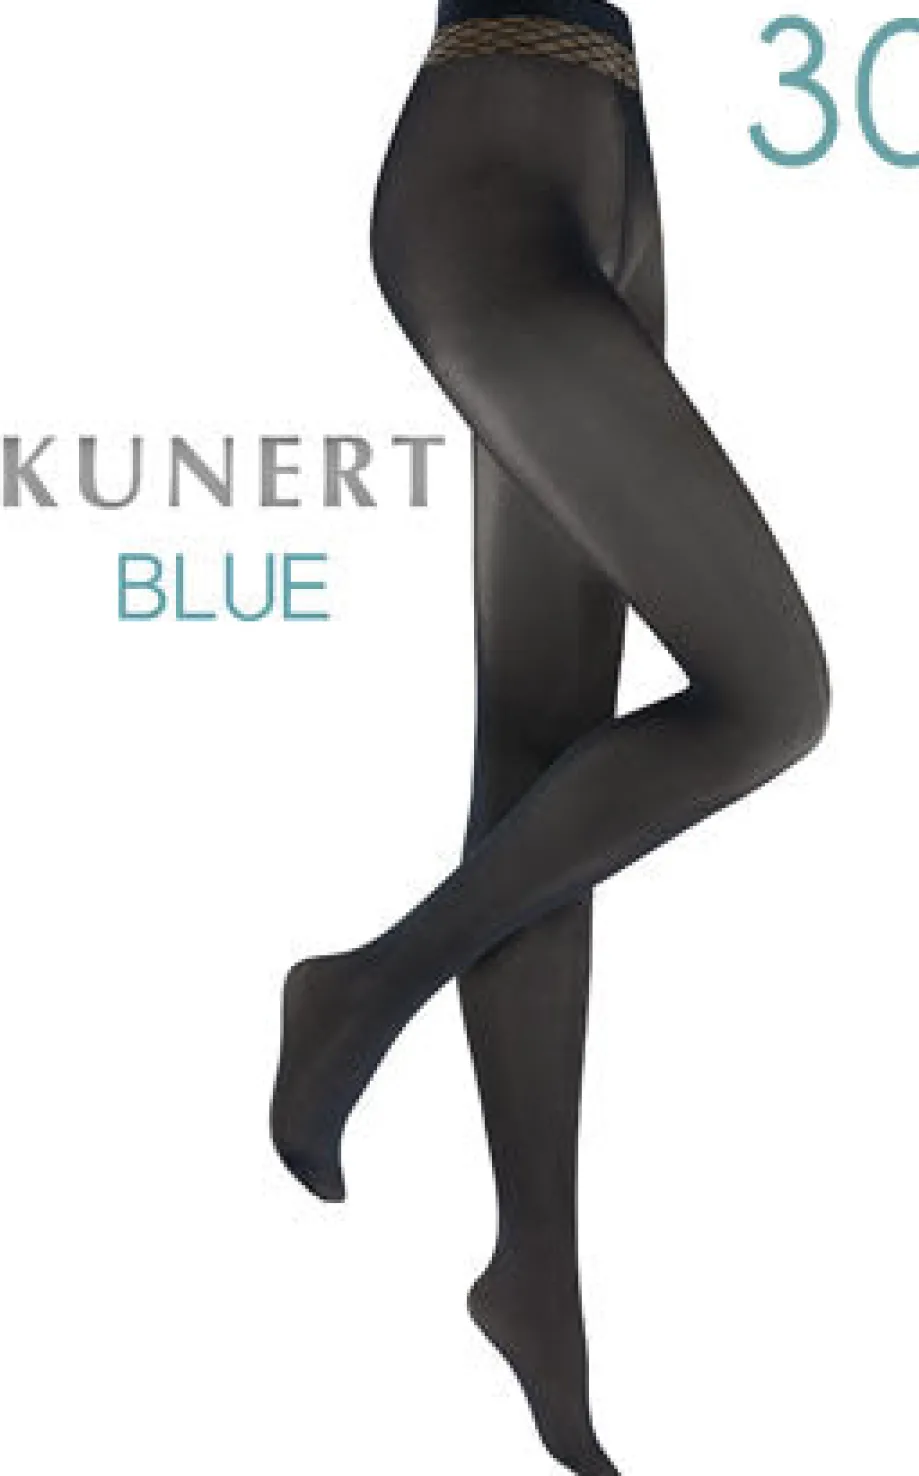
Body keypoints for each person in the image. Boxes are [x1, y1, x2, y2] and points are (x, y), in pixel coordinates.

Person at [271, 4, 831, 1472]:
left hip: (609, 166)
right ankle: (360, 991)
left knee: (541, 764)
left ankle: (536, 1277)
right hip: (492, 178)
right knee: (774, 695)